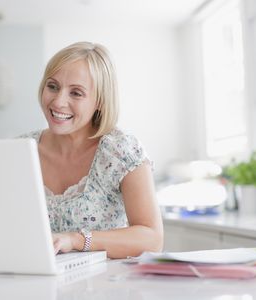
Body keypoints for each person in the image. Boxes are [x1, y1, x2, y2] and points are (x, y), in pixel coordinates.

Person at [21, 41, 163, 259]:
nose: (58, 102)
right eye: (53, 86)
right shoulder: (21, 150)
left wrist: (76, 240)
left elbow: (152, 239)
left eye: (76, 93)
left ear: (100, 101)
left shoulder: (121, 151)